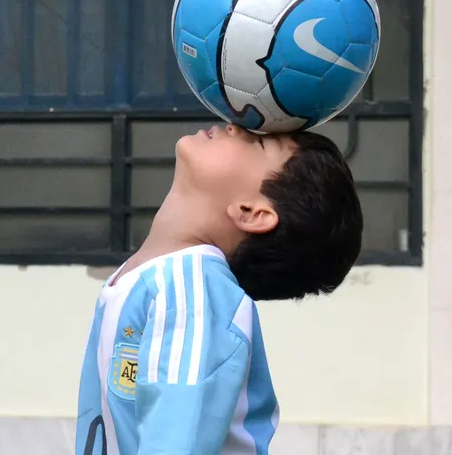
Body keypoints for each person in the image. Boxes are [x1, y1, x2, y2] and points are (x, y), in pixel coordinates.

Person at [75, 123, 363, 455]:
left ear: (251, 213)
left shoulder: (194, 293)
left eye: (256, 142)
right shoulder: (158, 280)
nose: (234, 126)